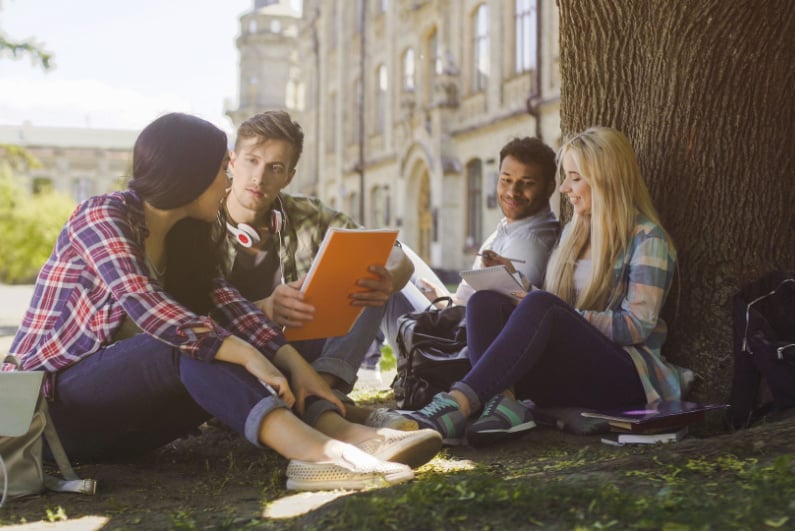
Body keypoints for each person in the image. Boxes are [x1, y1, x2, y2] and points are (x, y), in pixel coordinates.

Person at [9, 112, 440, 491]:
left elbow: (234, 309)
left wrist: (295, 365)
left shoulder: (188, 238)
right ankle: (317, 454)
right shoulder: (101, 216)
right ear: (189, 173)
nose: (230, 179)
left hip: (132, 428)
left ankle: (340, 429)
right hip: (55, 418)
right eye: (222, 168)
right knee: (192, 340)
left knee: (231, 335)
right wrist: (247, 354)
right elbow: (151, 310)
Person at [404, 126, 692, 448]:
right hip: (569, 373)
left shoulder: (647, 240)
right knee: (484, 300)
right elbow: (555, 306)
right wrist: (516, 283)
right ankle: (504, 405)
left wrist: (557, 310)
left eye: (575, 177)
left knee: (541, 305)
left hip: (624, 378)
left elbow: (637, 327)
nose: (566, 187)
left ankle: (457, 403)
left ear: (605, 178)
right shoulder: (575, 232)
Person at [223, 110, 418, 431]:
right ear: (232, 162)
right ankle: (329, 408)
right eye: (251, 161)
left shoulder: (304, 213)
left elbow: (397, 257)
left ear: (289, 177)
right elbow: (194, 316)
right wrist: (267, 308)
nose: (259, 177)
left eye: (275, 168)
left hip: (300, 349)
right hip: (236, 354)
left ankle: (321, 392)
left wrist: (389, 278)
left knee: (369, 271)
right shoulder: (204, 219)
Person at [380, 136, 560, 353]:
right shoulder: (513, 227)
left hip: (447, 352)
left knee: (377, 274)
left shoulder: (529, 243)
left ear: (550, 187)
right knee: (394, 249)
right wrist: (442, 298)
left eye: (527, 183)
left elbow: (494, 325)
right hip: (454, 325)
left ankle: (365, 365)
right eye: (506, 180)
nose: (513, 192)